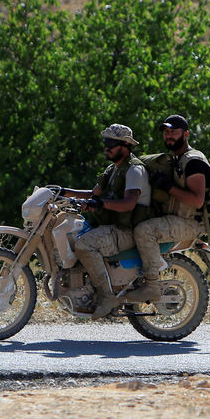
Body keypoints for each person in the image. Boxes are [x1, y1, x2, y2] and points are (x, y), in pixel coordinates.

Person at [61, 124, 152, 319]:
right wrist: (63, 192)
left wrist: (98, 203)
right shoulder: (113, 169)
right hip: (110, 226)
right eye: (105, 142)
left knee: (84, 245)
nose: (106, 147)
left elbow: (128, 204)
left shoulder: (134, 170)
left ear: (126, 145)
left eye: (111, 143)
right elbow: (93, 194)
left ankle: (107, 296)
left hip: (126, 230)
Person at [131, 114, 210, 299]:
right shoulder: (176, 159)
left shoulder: (193, 162)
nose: (169, 135)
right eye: (166, 132)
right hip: (174, 218)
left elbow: (197, 200)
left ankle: (151, 284)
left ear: (186, 134)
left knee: (144, 231)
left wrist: (168, 187)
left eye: (174, 132)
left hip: (190, 222)